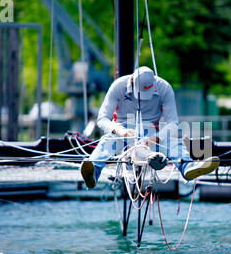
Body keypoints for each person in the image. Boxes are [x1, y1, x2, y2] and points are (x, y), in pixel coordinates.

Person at [80, 66, 219, 188]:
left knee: (173, 142)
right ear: (132, 81)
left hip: (153, 132)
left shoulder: (164, 88)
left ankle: (188, 167)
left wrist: (156, 138)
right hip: (123, 131)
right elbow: (102, 118)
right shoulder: (118, 86)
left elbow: (172, 123)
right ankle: (93, 172)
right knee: (107, 141)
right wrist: (120, 131)